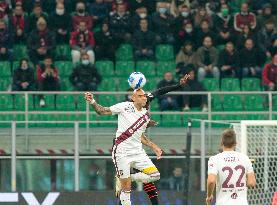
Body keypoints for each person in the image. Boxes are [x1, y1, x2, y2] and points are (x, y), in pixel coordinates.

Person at [85, 74, 190, 205]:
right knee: (126, 187)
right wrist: (93, 101)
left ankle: (128, 182)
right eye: (140, 96)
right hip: (122, 148)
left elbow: (161, 91)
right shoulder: (125, 107)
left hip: (137, 148)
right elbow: (102, 111)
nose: (145, 97)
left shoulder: (146, 110)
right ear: (133, 98)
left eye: (145, 95)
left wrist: (179, 86)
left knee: (147, 177)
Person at [206, 129, 256, 205]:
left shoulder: (214, 159)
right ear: (235, 143)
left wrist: (209, 196)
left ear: (221, 143)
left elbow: (211, 181)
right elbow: (251, 183)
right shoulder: (245, 158)